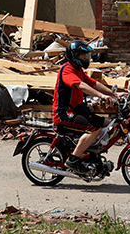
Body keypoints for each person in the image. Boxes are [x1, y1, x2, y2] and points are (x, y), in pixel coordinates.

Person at [53, 39, 124, 174]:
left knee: (108, 123)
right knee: (94, 129)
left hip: (79, 109)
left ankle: (92, 154)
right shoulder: (67, 70)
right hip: (64, 114)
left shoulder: (78, 70)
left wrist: (114, 94)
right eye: (84, 55)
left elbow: (94, 83)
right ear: (75, 56)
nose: (87, 58)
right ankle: (73, 159)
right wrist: (102, 96)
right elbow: (81, 86)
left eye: (87, 55)